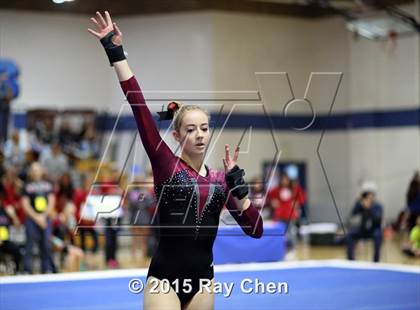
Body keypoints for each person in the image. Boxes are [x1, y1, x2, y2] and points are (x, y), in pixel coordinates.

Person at [88, 11, 263, 310]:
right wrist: (115, 52)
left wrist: (240, 190)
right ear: (177, 136)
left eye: (205, 128)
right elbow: (139, 106)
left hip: (203, 282)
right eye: (191, 129)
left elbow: (255, 230)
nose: (199, 135)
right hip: (164, 281)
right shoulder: (166, 164)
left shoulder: (220, 180)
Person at [21, 162, 55, 273]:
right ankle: (27, 270)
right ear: (31, 172)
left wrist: (44, 216)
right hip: (32, 219)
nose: (35, 172)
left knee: (46, 244)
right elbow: (25, 204)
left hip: (45, 219)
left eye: (37, 169)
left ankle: (46, 269)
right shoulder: (26, 186)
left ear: (42, 171)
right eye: (33, 170)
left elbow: (51, 201)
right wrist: (36, 217)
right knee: (29, 244)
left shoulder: (48, 185)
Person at [346, 189, 383, 262]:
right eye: (367, 197)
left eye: (371, 196)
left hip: (374, 230)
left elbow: (377, 219)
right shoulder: (361, 205)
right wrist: (358, 202)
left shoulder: (378, 206)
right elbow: (353, 213)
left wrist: (369, 208)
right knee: (349, 234)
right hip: (363, 230)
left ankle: (376, 261)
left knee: (378, 235)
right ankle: (350, 260)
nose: (369, 199)